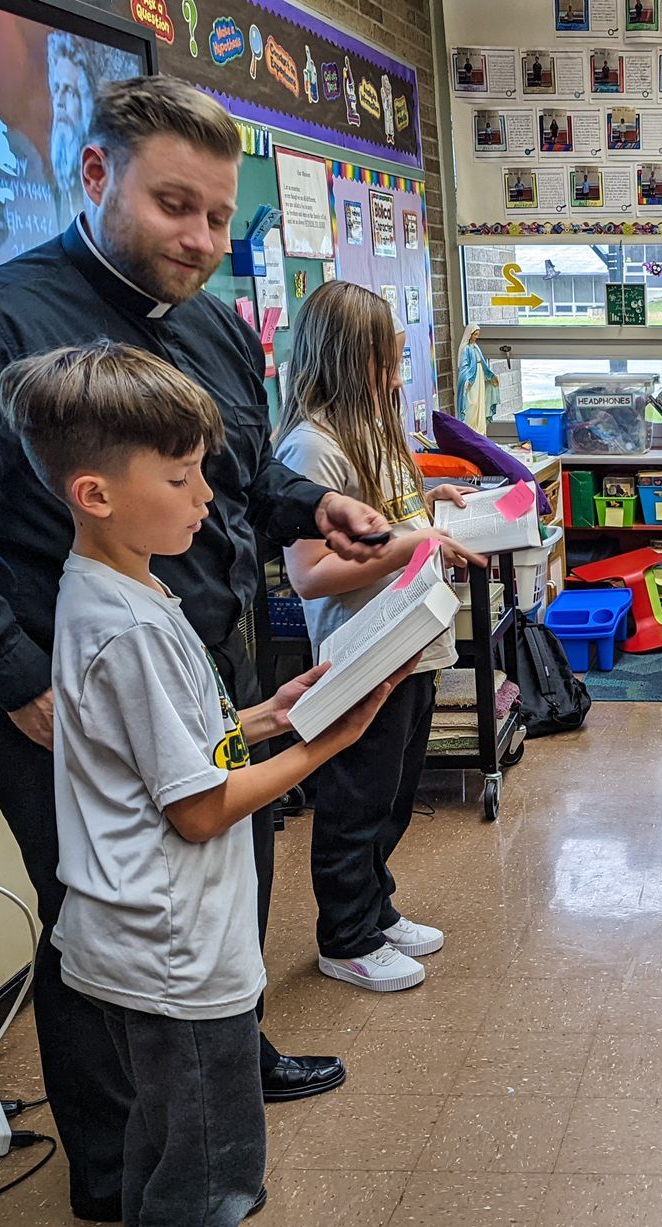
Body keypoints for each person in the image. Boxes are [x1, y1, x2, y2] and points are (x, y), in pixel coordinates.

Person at [0, 76, 393, 1221]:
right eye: (173, 205)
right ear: (95, 175)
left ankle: (228, 1060)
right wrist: (16, 680)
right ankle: (114, 1163)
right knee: (108, 919)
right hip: (68, 694)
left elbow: (235, 476)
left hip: (200, 662)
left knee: (228, 871)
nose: (199, 238)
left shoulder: (208, 323)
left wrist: (315, 508)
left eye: (217, 215)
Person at [0, 342, 403, 1227]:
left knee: (166, 1158)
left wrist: (269, 715)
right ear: (95, 494)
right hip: (175, 954)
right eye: (179, 479)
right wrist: (325, 747)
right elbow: (198, 808)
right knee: (210, 1178)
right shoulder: (127, 623)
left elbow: (180, 749)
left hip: (143, 940)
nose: (205, 498)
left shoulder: (124, 588)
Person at [275, 283, 482, 991]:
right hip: (363, 656)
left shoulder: (374, 428)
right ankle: (346, 937)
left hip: (414, 647)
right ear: (341, 359)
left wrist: (428, 503)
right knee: (355, 801)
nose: (395, 378)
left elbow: (385, 517)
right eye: (381, 362)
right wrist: (412, 542)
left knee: (393, 795)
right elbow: (310, 574)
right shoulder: (311, 447)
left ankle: (376, 908)